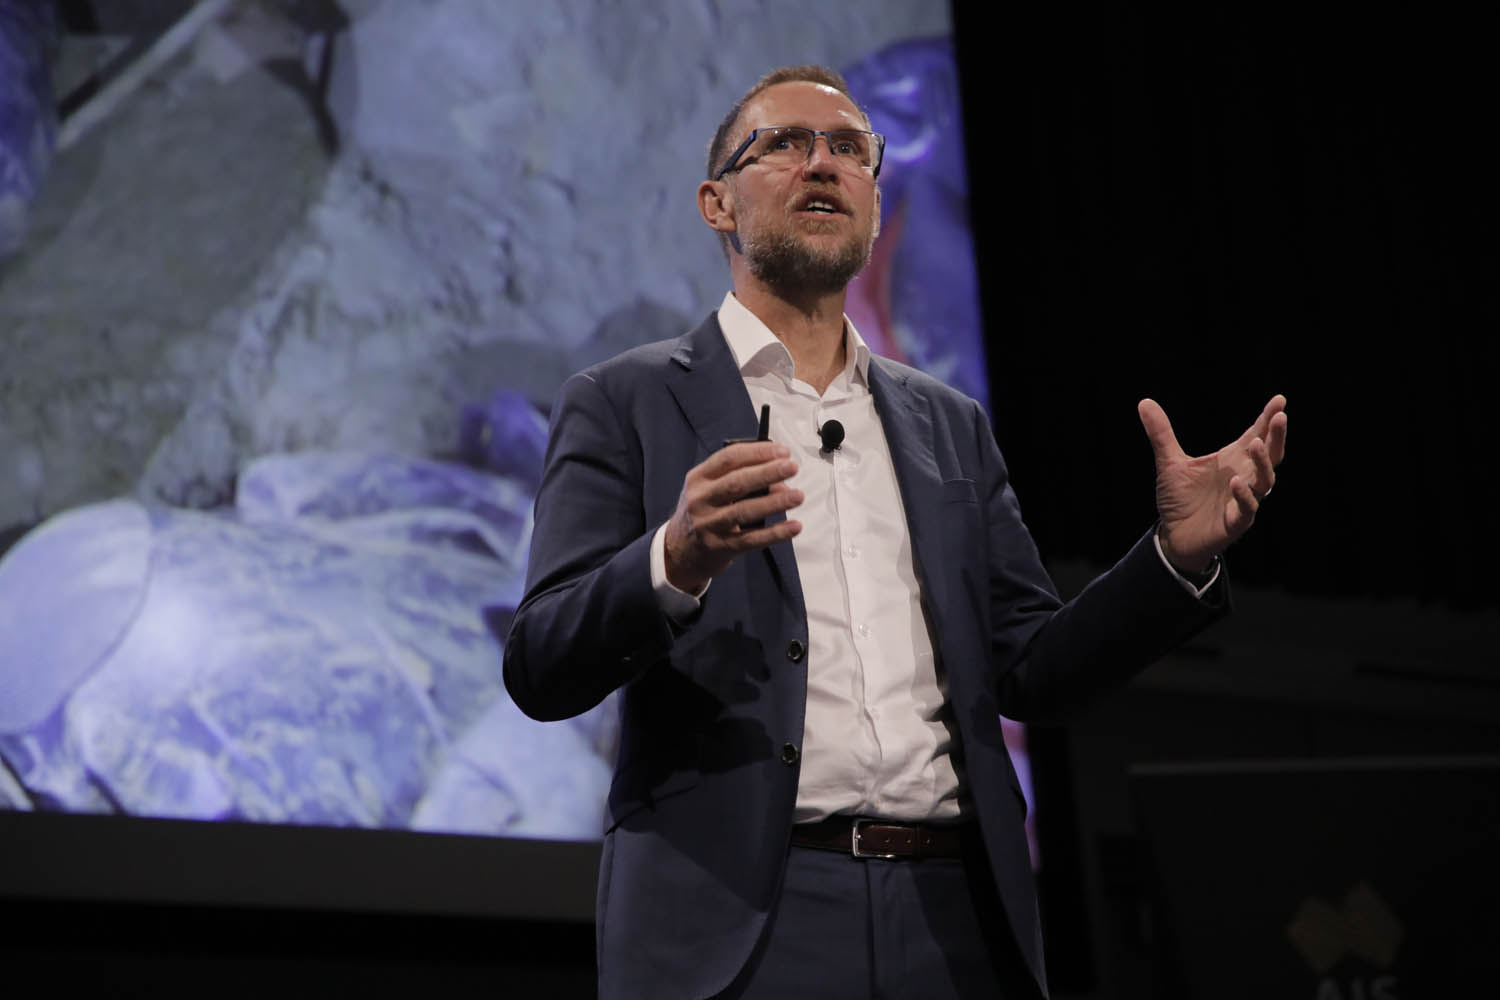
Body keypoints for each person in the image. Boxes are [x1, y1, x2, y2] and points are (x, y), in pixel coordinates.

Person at [501, 65, 1287, 1000]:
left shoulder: (948, 423)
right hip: (746, 921)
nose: (822, 164)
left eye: (849, 149)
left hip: (951, 919)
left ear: (875, 201)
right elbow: (542, 663)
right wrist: (675, 559)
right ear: (718, 204)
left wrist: (1172, 561)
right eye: (784, 145)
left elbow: (1032, 670)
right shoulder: (623, 400)